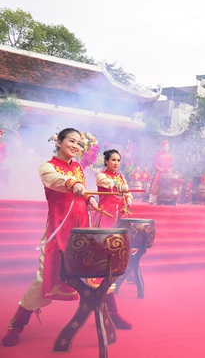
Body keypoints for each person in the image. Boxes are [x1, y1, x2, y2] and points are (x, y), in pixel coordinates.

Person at [1, 128, 131, 348]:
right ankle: (17, 324)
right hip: (60, 231)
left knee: (100, 272)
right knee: (46, 280)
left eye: (79, 143)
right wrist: (73, 185)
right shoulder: (47, 167)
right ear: (59, 141)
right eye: (72, 141)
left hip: (83, 230)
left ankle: (113, 313)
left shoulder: (78, 167)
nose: (76, 146)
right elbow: (55, 181)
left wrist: (89, 199)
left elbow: (82, 191)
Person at [94, 149, 133, 228]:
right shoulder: (101, 175)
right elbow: (108, 182)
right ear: (106, 161)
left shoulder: (121, 176)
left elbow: (127, 191)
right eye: (113, 160)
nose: (116, 163)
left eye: (118, 160)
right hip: (107, 212)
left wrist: (128, 197)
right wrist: (119, 186)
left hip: (121, 211)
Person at [148, 141, 172, 205]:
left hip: (167, 174)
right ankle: (151, 200)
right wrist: (159, 168)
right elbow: (154, 163)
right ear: (162, 147)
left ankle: (165, 200)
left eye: (168, 146)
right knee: (156, 185)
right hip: (159, 173)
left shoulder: (170, 156)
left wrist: (169, 170)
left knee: (166, 186)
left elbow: (171, 165)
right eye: (165, 146)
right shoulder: (158, 154)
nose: (167, 147)